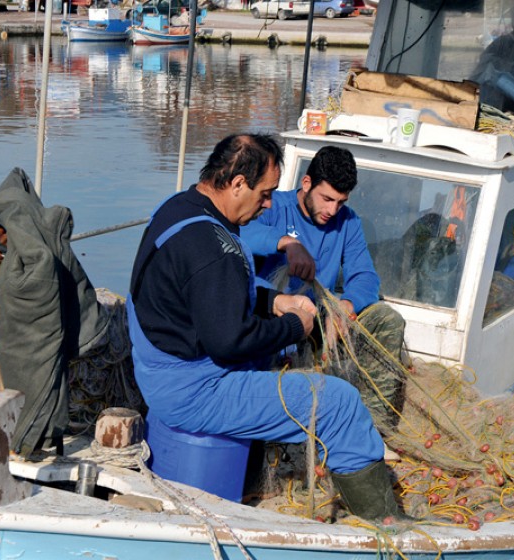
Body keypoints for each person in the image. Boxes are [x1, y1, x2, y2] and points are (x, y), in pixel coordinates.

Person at [127, 133, 403, 521]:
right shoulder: (214, 247)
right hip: (194, 390)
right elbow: (230, 342)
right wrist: (294, 326)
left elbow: (205, 295)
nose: (269, 203)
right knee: (339, 403)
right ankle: (384, 524)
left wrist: (273, 301)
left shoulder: (178, 209)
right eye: (265, 193)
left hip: (159, 373)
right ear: (238, 183)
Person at [241, 146, 409, 428]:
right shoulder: (272, 206)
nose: (332, 210)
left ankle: (372, 428)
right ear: (307, 183)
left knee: (387, 319)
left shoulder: (348, 222)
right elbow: (241, 233)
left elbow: (365, 276)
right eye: (327, 199)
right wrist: (287, 243)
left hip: (319, 323)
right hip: (274, 318)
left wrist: (346, 305)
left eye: (340, 202)